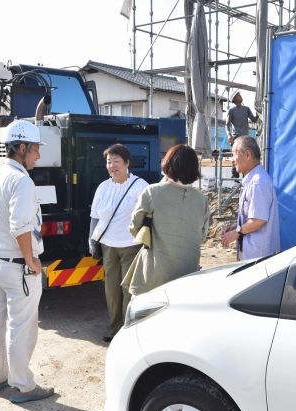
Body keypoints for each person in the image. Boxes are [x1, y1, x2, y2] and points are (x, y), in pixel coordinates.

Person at [0, 119, 54, 404]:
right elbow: (21, 227)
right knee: (22, 326)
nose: (38, 155)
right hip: (18, 266)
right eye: (36, 149)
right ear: (22, 148)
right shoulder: (21, 181)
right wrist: (32, 261)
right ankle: (23, 386)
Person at [122, 144, 210, 295]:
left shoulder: (152, 192)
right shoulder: (202, 199)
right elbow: (202, 235)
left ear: (168, 165)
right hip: (188, 273)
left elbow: (134, 227)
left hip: (155, 273)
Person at [89, 144, 148, 342]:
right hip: (108, 246)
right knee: (111, 290)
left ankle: (128, 330)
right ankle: (114, 328)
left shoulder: (140, 186)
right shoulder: (103, 187)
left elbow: (149, 217)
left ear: (127, 163)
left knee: (128, 289)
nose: (112, 165)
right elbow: (94, 216)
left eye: (116, 161)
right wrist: (91, 239)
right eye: (108, 162)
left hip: (131, 245)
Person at [221, 136, 280, 260]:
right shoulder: (254, 180)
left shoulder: (257, 183)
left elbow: (258, 220)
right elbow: (254, 217)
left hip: (257, 257)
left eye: (234, 154)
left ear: (247, 154)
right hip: (254, 255)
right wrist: (237, 225)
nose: (232, 160)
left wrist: (236, 231)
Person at [225, 93, 259, 178]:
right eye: (238, 95)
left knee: (246, 158)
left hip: (245, 138)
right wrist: (229, 135)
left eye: (240, 95)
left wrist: (259, 111)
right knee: (236, 157)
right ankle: (235, 178)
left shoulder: (246, 109)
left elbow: (254, 120)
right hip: (236, 138)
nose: (241, 96)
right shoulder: (231, 111)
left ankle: (245, 177)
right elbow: (227, 125)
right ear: (235, 99)